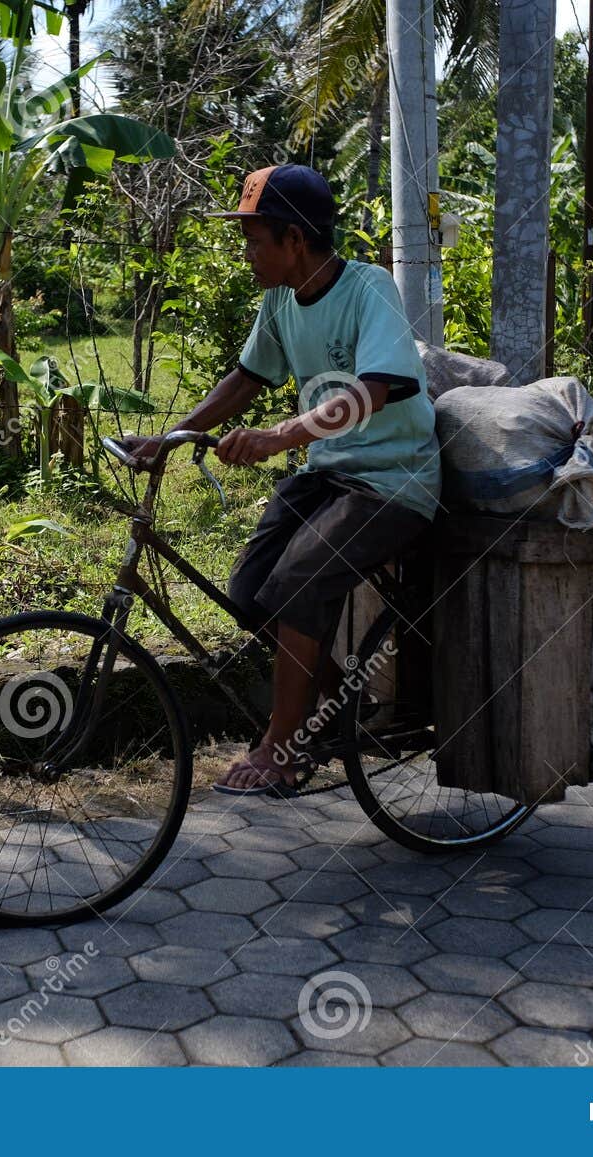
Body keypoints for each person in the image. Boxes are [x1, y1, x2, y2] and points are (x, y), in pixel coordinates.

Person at [123, 163, 441, 797]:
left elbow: (377, 388)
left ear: (295, 240)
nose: (248, 255)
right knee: (248, 592)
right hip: (329, 473)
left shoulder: (368, 287)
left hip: (392, 482)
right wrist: (170, 436)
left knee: (298, 584)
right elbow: (246, 379)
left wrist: (280, 436)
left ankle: (283, 747)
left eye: (255, 240)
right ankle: (335, 713)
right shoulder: (278, 302)